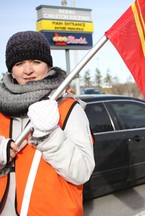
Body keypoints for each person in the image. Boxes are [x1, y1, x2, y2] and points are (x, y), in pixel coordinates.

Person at [0, 31, 95, 216]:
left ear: (48, 65)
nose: (28, 71)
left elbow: (82, 171)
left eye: (36, 62)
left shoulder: (67, 107)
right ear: (11, 69)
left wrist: (50, 136)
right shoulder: (1, 108)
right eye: (19, 64)